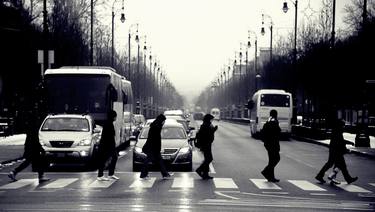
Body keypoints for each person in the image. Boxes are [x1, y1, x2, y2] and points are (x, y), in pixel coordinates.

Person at [8, 112, 50, 183]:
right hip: (33, 148)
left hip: (30, 147)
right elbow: (35, 140)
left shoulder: (31, 126)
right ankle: (40, 177)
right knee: (40, 161)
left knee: (29, 162)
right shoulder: (34, 127)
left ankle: (14, 172)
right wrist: (41, 149)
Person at [315, 119, 358, 184]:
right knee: (341, 165)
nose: (343, 127)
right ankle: (346, 178)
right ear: (340, 125)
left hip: (334, 150)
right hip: (336, 151)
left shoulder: (336, 130)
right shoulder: (338, 131)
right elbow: (340, 141)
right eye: (343, 125)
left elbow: (340, 141)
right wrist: (349, 142)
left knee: (332, 164)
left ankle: (320, 176)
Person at [140, 114, 173, 179]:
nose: (164, 122)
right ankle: (143, 175)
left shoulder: (155, 125)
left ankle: (165, 174)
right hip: (153, 148)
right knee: (148, 161)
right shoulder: (156, 127)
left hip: (153, 147)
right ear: (161, 120)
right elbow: (156, 139)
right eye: (164, 121)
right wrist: (157, 148)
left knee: (159, 161)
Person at [97, 110, 119, 181]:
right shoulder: (108, 124)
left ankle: (110, 174)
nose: (116, 117)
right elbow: (109, 136)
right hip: (107, 145)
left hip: (108, 145)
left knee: (111, 158)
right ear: (113, 116)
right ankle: (101, 175)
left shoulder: (109, 123)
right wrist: (112, 145)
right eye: (115, 116)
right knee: (104, 159)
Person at [261, 109, 281, 182]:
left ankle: (271, 177)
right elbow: (276, 131)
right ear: (276, 114)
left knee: (272, 160)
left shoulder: (269, 120)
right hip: (273, 143)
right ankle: (266, 171)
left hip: (268, 143)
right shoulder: (274, 121)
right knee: (276, 158)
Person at [195, 114, 218, 180]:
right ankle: (199, 170)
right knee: (209, 159)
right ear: (208, 119)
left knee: (207, 159)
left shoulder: (206, 124)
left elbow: (208, 133)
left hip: (207, 144)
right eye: (211, 119)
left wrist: (213, 130)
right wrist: (214, 130)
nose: (211, 121)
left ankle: (205, 174)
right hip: (205, 144)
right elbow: (206, 135)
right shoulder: (205, 125)